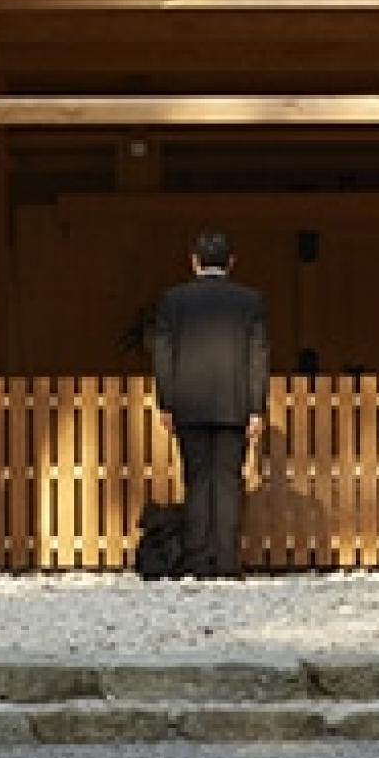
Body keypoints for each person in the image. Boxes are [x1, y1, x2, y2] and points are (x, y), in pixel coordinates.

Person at [148, 231, 270, 577]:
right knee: (229, 481)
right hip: (234, 404)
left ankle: (199, 559)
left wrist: (167, 402)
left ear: (194, 260)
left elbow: (163, 354)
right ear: (232, 262)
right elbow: (257, 357)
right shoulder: (250, 301)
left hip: (189, 404)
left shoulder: (174, 301)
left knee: (197, 479)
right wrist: (256, 407)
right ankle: (228, 561)